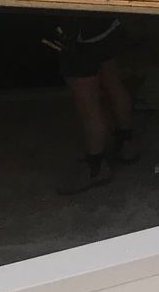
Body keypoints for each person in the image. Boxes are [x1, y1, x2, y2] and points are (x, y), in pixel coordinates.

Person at [46, 15, 139, 195]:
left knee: (87, 104)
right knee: (112, 81)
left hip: (77, 37)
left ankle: (95, 167)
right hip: (106, 25)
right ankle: (126, 143)